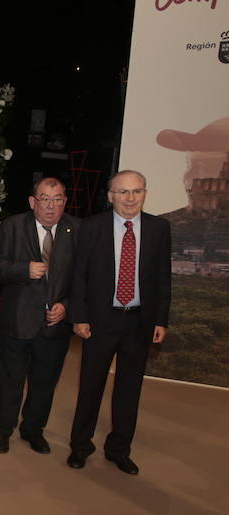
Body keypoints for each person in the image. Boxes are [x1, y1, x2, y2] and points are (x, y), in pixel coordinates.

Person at [66, 170, 171, 475]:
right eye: (122, 192)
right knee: (90, 387)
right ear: (110, 195)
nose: (129, 198)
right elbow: (79, 276)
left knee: (129, 390)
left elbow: (163, 279)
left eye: (136, 191)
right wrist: (80, 317)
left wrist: (161, 319)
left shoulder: (159, 228)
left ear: (145, 194)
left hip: (139, 321)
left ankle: (119, 449)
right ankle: (80, 446)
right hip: (101, 321)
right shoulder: (92, 227)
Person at [0, 177, 81, 454]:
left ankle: (33, 429)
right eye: (44, 199)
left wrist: (67, 305)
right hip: (18, 318)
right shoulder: (13, 226)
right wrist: (23, 270)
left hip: (56, 323)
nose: (51, 206)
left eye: (57, 199)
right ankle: (3, 429)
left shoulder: (77, 230)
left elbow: (85, 277)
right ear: (33, 202)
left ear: (65, 201)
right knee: (11, 379)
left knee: (45, 382)